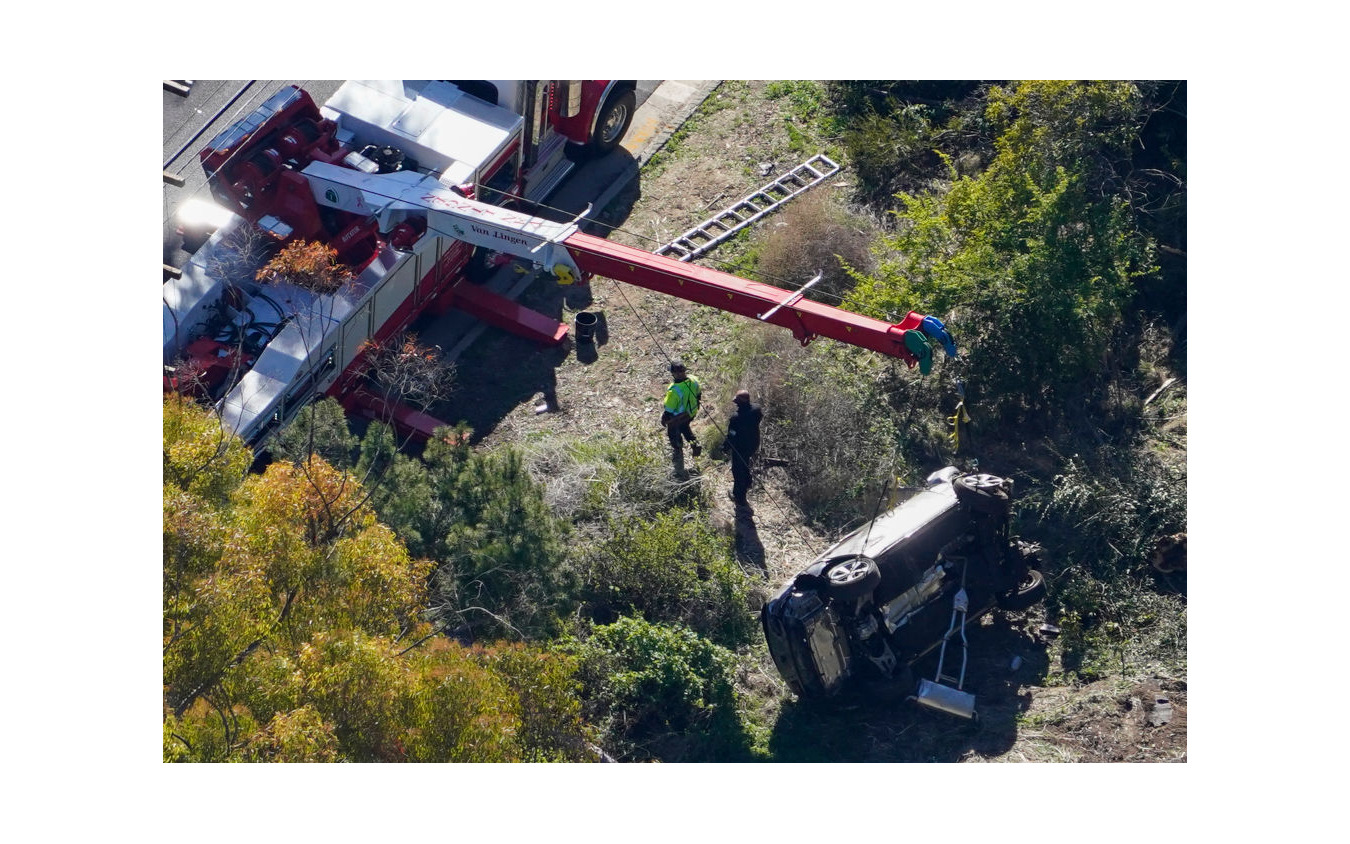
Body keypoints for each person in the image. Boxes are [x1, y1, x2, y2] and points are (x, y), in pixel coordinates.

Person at [721, 389, 762, 506]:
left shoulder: (736, 417)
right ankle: (748, 481)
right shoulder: (757, 409)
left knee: (737, 470)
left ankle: (739, 496)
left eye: (737, 402)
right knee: (745, 464)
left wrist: (725, 447)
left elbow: (732, 434)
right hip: (753, 444)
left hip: (740, 448)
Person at [660, 360, 702, 474]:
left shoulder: (674, 390)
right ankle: (695, 444)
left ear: (673, 373)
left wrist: (664, 418)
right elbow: (699, 394)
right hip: (691, 413)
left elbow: (669, 409)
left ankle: (678, 450)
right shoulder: (694, 379)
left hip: (678, 416)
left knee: (673, 433)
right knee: (685, 427)